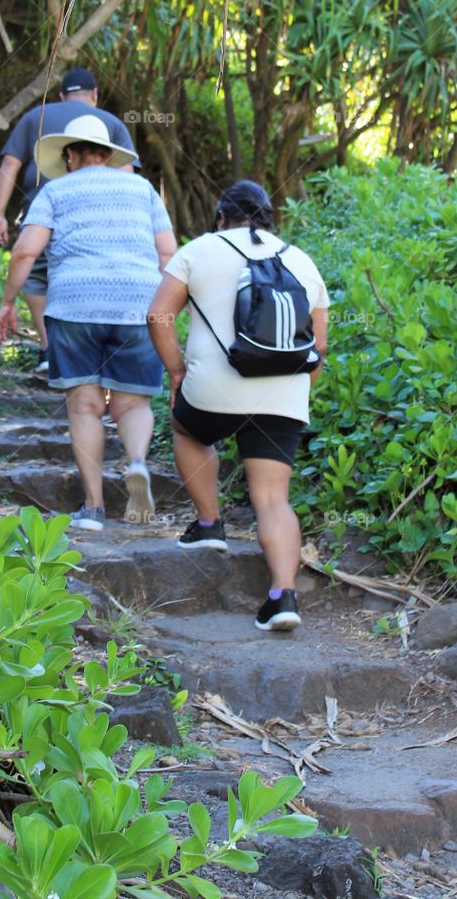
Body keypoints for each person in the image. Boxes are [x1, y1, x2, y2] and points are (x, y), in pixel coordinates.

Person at [147, 181, 329, 631]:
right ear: (268, 217)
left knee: (187, 429)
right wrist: (293, 393)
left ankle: (210, 524)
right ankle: (283, 597)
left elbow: (158, 315)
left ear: (221, 217)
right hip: (284, 392)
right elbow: (318, 349)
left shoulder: (198, 249)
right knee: (273, 498)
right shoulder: (301, 260)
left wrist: (176, 372)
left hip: (213, 389)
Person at [0, 114, 176, 531]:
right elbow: (168, 252)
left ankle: (93, 508)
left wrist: (7, 302)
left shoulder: (55, 190)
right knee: (133, 403)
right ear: (109, 156)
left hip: (75, 306)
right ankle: (136, 463)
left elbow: (25, 252)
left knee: (84, 407)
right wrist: (162, 305)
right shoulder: (142, 189)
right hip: (138, 305)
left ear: (70, 155)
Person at [0, 67, 137, 371]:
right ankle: (94, 353)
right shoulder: (111, 123)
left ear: (61, 95)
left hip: (42, 211)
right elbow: (127, 176)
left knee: (36, 277)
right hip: (98, 218)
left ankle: (51, 350)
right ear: (94, 95)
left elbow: (11, 162)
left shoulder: (36, 116)